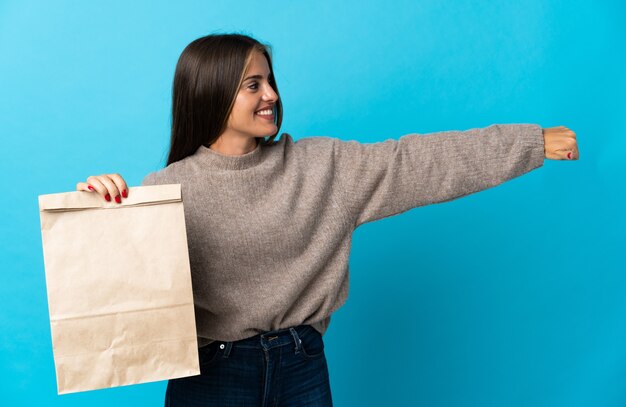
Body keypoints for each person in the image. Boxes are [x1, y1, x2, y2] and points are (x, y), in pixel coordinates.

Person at [76, 33, 578, 406]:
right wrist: (98, 210)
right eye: (253, 84)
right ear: (213, 91)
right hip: (212, 377)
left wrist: (528, 143)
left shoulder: (323, 167)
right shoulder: (168, 189)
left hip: (302, 368)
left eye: (270, 80)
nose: (270, 94)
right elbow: (116, 297)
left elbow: (419, 162)